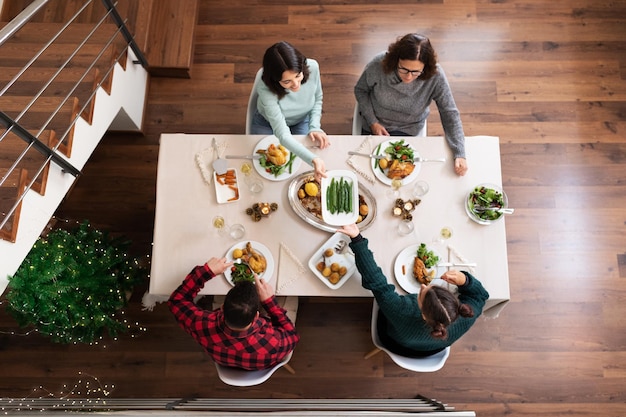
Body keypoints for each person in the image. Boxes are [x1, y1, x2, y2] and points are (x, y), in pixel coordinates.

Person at [338, 223, 489, 357]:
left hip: (394, 342)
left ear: (423, 315)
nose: (423, 286)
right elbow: (481, 296)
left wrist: (357, 239)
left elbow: (376, 282)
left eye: (422, 294)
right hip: (428, 353)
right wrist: (465, 280)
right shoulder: (467, 314)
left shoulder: (401, 311)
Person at [354, 33, 469, 176]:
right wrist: (373, 122)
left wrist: (459, 152)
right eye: (403, 69)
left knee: (406, 175)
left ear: (425, 68)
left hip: (408, 130)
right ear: (396, 60)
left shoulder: (435, 76)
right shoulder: (378, 65)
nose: (408, 77)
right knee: (366, 171)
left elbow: (449, 113)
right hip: (376, 124)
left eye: (415, 72)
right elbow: (360, 90)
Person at [168, 256, 300, 370]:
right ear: (256, 317)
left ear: (222, 307)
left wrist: (207, 271)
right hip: (258, 358)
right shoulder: (273, 345)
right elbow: (293, 336)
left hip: (224, 357)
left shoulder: (202, 326)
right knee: (292, 294)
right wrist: (269, 302)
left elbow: (176, 301)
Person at [251, 41, 329, 182]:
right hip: (267, 122)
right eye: (287, 82)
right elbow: (282, 133)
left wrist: (315, 126)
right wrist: (314, 159)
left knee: (297, 169)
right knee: (260, 166)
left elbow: (317, 98)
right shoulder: (265, 88)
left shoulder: (313, 67)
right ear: (274, 80)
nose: (296, 85)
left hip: (300, 120)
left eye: (298, 75)